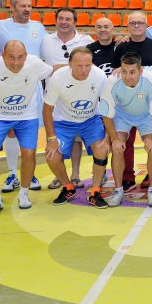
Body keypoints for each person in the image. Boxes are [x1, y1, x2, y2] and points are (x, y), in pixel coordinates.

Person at [0, 40, 53, 217]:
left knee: (29, 154)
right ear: (2, 56)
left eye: (20, 57)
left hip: (27, 116)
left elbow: (52, 69)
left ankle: (23, 194)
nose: (16, 62)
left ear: (26, 56)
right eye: (11, 57)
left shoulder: (35, 63)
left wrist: (78, 65)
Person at [0, 0, 47, 193]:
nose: (27, 9)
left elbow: (50, 50)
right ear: (11, 7)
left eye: (29, 5)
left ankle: (29, 173)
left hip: (32, 88)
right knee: (11, 131)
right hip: (6, 88)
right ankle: (12, 173)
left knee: (29, 130)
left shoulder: (39, 27)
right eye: (22, 6)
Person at [42, 47, 109, 208]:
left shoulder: (99, 76)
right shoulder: (58, 78)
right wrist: (51, 139)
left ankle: (95, 192)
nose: (84, 70)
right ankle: (67, 187)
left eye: (88, 65)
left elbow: (108, 106)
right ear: (70, 64)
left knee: (102, 150)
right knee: (52, 155)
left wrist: (108, 138)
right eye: (79, 66)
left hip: (91, 121)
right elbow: (47, 110)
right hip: (63, 122)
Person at [100, 52, 152, 207]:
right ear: (120, 69)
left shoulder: (150, 80)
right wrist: (114, 139)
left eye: (132, 72)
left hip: (146, 117)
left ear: (140, 70)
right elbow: (106, 114)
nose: (128, 76)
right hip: (122, 116)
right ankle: (118, 190)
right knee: (117, 148)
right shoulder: (112, 81)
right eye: (124, 71)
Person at [111, 12, 152, 190]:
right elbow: (114, 73)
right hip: (125, 106)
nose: (136, 26)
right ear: (127, 25)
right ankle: (127, 177)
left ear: (146, 25)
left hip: (149, 106)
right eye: (133, 23)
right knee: (124, 143)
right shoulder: (121, 47)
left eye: (140, 23)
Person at [40, 7, 94, 189]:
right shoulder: (45, 40)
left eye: (68, 19)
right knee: (59, 137)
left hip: (79, 95)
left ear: (75, 22)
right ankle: (59, 176)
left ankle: (76, 174)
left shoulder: (86, 40)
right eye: (61, 18)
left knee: (77, 138)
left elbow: (97, 56)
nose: (64, 22)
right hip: (55, 97)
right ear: (55, 21)